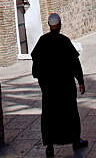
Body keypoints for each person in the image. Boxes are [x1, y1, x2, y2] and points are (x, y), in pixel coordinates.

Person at [31, 13, 88, 156]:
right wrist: (80, 81)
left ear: (49, 25)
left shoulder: (42, 41)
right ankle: (75, 140)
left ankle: (49, 145)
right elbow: (75, 62)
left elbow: (36, 63)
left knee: (50, 114)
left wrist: (42, 79)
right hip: (65, 86)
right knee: (70, 112)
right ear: (60, 24)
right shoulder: (64, 41)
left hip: (49, 87)